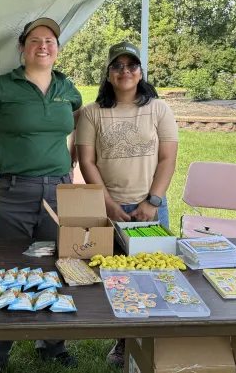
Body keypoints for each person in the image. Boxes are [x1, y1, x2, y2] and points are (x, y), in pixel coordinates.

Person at [0, 17, 82, 373]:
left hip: (57, 191)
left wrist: (70, 164)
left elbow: (76, 123)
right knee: (5, 270)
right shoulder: (1, 87)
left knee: (55, 266)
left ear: (57, 48)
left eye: (50, 40)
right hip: (11, 192)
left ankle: (51, 345)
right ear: (23, 48)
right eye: (35, 40)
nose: (43, 45)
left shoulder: (68, 89)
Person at [76, 41, 179, 368]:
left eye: (131, 65)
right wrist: (107, 204)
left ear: (141, 71)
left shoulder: (159, 109)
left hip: (150, 208)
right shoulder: (93, 113)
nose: (125, 71)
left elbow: (168, 158)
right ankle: (123, 341)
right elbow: (87, 162)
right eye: (117, 66)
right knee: (117, 277)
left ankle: (153, 341)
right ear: (107, 74)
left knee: (154, 276)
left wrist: (153, 201)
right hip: (110, 209)